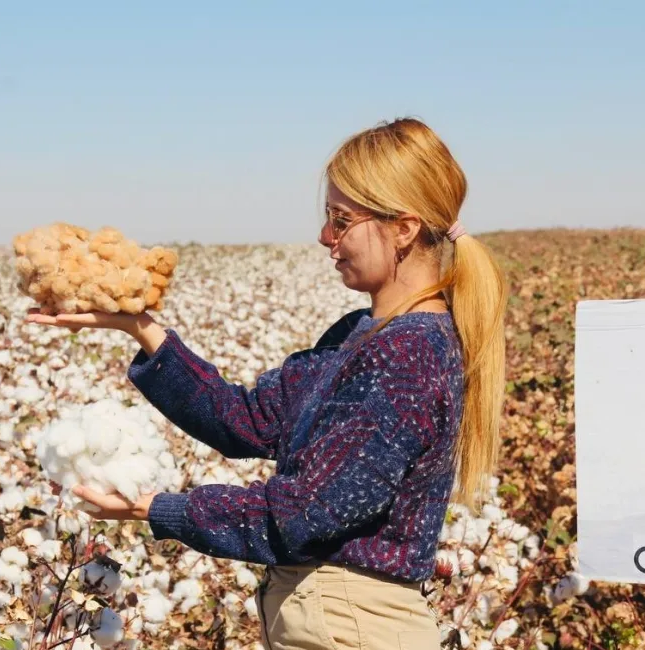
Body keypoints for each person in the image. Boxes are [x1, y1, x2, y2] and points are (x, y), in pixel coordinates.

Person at [27, 117, 508, 650]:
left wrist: (156, 508)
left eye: (341, 219)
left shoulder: (407, 353)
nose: (326, 237)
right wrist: (140, 326)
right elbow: (248, 422)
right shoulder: (362, 334)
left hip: (352, 624)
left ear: (404, 228)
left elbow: (306, 513)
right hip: (334, 617)